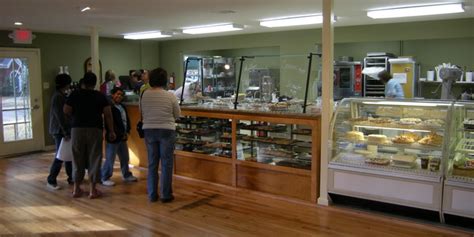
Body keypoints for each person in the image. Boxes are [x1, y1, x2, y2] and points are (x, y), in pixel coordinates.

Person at [64, 72, 116, 199]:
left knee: (77, 157)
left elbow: (66, 110)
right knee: (95, 157)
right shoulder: (100, 96)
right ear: (95, 83)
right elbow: (108, 114)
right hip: (95, 129)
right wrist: (111, 131)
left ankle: (76, 189)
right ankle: (93, 190)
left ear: (83, 82)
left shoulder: (74, 94)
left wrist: (74, 118)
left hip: (77, 129)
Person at [141, 67, 181, 203]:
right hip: (167, 130)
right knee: (166, 163)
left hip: (149, 130)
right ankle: (165, 194)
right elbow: (177, 115)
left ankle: (152, 194)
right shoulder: (170, 95)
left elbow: (142, 112)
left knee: (152, 163)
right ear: (164, 80)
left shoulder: (145, 94)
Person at [101, 87, 138, 186]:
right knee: (110, 158)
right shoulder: (109, 107)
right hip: (113, 136)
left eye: (121, 95)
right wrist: (111, 132)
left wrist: (127, 130)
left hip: (122, 135)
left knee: (125, 157)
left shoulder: (122, 106)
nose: (119, 96)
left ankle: (126, 174)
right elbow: (109, 121)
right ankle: (104, 176)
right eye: (117, 94)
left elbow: (126, 120)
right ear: (112, 94)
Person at [46, 73, 73, 190]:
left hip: (62, 129)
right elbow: (60, 116)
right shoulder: (58, 97)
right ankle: (51, 180)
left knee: (68, 154)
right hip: (59, 130)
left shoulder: (61, 95)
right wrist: (66, 131)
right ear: (65, 84)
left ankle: (71, 177)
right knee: (60, 155)